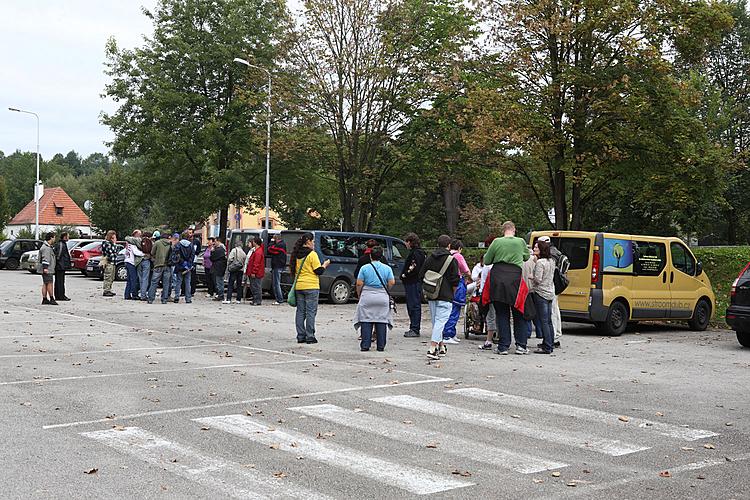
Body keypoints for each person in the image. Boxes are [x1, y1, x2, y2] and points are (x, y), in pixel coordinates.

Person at [485, 221, 530, 355]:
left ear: (503, 230)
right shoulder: (520, 242)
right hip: (515, 279)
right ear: (514, 230)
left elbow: (487, 260)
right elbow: (526, 257)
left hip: (498, 278)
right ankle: (521, 346)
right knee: (519, 313)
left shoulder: (496, 242)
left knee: (502, 314)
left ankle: (503, 347)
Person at [419, 235, 459, 360]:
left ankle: (441, 346)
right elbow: (455, 281)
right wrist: (452, 292)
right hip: (446, 295)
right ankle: (432, 348)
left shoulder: (429, 258)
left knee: (436, 322)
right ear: (449, 246)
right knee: (441, 322)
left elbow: (421, 275)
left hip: (432, 294)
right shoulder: (451, 260)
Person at [290, 233, 330, 344]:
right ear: (308, 241)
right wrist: (325, 264)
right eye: (313, 241)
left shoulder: (296, 255)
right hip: (311, 286)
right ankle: (310, 336)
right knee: (311, 312)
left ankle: (300, 335)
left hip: (299, 286)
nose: (314, 243)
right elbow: (318, 271)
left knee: (300, 311)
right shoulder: (312, 254)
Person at [354, 245, 395, 351]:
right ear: (381, 256)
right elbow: (392, 282)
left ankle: (365, 345)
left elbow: (359, 283)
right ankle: (381, 345)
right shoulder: (387, 268)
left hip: (367, 295)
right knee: (381, 320)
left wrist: (359, 294)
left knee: (366, 319)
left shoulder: (364, 268)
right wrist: (386, 289)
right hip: (382, 295)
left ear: (370, 256)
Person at [538, 235, 566, 348]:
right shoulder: (556, 253)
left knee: (550, 315)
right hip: (553, 287)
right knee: (554, 312)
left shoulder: (549, 256)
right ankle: (554, 336)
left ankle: (551, 338)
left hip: (547, 288)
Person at [442, 239, 471, 344]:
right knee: (455, 309)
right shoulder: (458, 256)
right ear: (459, 248)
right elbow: (466, 270)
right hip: (457, 284)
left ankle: (451, 332)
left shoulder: (447, 255)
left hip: (447, 284)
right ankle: (448, 334)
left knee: (449, 309)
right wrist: (471, 277)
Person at [531, 240, 556, 354]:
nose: (534, 249)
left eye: (536, 247)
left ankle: (547, 346)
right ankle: (550, 342)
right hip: (550, 292)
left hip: (541, 293)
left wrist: (532, 277)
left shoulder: (540, 263)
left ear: (541, 249)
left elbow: (538, 279)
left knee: (544, 321)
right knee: (549, 320)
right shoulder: (551, 261)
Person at [401, 233, 426, 338]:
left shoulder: (415, 254)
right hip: (414, 282)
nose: (405, 244)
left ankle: (415, 328)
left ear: (410, 242)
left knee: (414, 305)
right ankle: (414, 327)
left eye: (406, 242)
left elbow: (413, 268)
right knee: (413, 305)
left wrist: (404, 274)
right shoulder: (420, 253)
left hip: (413, 282)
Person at [148, 231, 174, 304]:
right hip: (167, 265)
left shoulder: (157, 243)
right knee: (166, 283)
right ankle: (164, 299)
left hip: (158, 265)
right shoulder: (170, 244)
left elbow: (152, 253)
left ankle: (151, 299)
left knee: (154, 282)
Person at [478, 257, 497, 350]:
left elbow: (484, 281)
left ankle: (489, 340)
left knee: (490, 317)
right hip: (502, 294)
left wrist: (481, 292)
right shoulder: (503, 265)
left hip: (489, 294)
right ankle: (501, 339)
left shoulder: (487, 266)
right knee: (501, 316)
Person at [172, 231, 195, 303]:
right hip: (188, 267)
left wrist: (183, 263)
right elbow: (192, 255)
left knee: (178, 281)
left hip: (179, 266)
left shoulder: (178, 244)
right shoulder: (191, 245)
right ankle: (188, 298)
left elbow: (176, 255)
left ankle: (176, 297)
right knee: (188, 282)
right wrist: (188, 265)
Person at [224, 239, 247, 304]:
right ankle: (238, 299)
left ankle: (228, 298)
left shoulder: (234, 250)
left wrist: (229, 265)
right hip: (240, 270)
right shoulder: (243, 252)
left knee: (230, 284)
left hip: (234, 270)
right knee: (239, 285)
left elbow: (230, 259)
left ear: (235, 244)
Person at [124, 230, 144, 300]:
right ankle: (134, 295)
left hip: (126, 261)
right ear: (135, 234)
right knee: (134, 279)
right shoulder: (132, 244)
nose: (140, 236)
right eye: (139, 234)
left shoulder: (127, 244)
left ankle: (127, 294)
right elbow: (136, 252)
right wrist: (144, 254)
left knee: (129, 280)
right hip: (131, 263)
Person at [267, 233, 287, 304]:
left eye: (274, 239)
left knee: (276, 283)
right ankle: (280, 298)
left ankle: (279, 299)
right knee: (277, 283)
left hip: (277, 266)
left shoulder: (280, 245)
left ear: (276, 239)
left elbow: (270, 249)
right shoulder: (283, 244)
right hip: (279, 265)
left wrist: (271, 242)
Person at [38, 232, 57, 305]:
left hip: (46, 269)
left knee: (45, 283)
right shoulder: (46, 248)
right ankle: (51, 298)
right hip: (47, 269)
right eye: (54, 237)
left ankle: (45, 299)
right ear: (51, 238)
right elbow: (45, 258)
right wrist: (45, 268)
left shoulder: (47, 247)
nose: (54, 239)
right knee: (49, 283)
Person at [245, 235, 265, 306]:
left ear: (255, 242)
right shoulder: (256, 251)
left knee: (256, 286)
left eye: (253, 241)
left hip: (256, 273)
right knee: (254, 286)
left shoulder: (258, 252)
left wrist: (254, 272)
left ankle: (257, 300)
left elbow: (256, 263)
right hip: (254, 272)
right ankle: (255, 299)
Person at [53, 232, 71, 301]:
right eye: (68, 236)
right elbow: (58, 255)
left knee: (58, 281)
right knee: (60, 281)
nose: (68, 238)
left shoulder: (61, 244)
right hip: (60, 266)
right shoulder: (61, 245)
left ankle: (58, 295)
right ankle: (61, 296)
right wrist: (59, 263)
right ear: (65, 237)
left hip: (60, 265)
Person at [101, 230, 119, 297]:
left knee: (112, 277)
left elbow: (116, 252)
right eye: (114, 237)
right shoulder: (106, 243)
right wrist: (114, 244)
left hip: (113, 262)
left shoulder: (111, 244)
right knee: (108, 276)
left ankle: (109, 289)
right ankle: (106, 290)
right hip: (109, 262)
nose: (115, 239)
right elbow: (112, 252)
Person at [138, 231, 153, 301]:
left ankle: (140, 293)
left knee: (140, 278)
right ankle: (143, 295)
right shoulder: (150, 242)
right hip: (146, 261)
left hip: (139, 261)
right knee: (145, 279)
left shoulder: (138, 241)